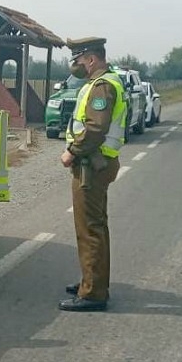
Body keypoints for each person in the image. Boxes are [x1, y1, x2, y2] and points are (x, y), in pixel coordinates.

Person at [59, 37, 127, 312]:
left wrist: (72, 152)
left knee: (90, 229)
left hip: (91, 165)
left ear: (91, 58)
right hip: (95, 163)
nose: (75, 65)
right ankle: (91, 280)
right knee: (92, 225)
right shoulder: (100, 83)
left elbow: (96, 129)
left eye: (78, 59)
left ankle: (93, 293)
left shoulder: (102, 86)